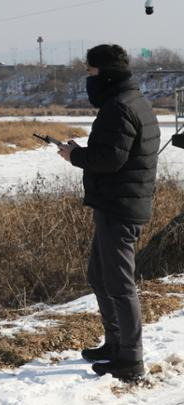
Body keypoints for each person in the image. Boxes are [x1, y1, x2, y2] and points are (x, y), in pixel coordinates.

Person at [58, 44, 160, 380]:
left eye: (90, 73)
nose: (88, 79)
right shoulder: (132, 102)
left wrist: (75, 156)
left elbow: (109, 160)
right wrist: (81, 152)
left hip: (121, 208)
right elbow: (115, 153)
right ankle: (115, 344)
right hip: (117, 203)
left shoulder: (119, 108)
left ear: (106, 74)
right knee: (100, 277)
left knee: (119, 284)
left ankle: (130, 360)